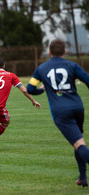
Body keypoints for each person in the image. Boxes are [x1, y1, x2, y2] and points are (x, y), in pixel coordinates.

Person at [26, 39, 89, 187]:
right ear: (64, 52)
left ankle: (83, 177)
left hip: (61, 111)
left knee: (79, 145)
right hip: (78, 107)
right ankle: (83, 178)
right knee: (79, 142)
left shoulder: (42, 69)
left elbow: (30, 89)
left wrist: (42, 89)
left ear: (49, 52)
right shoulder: (72, 65)